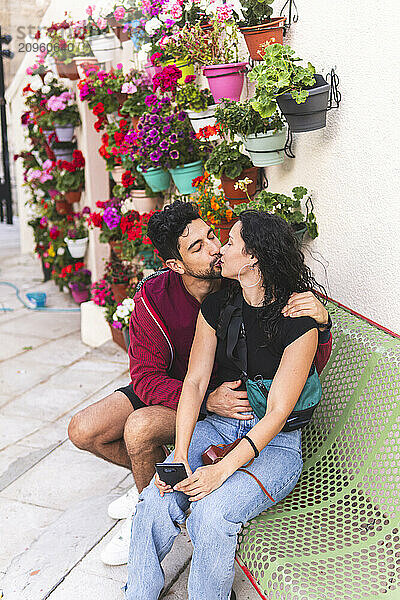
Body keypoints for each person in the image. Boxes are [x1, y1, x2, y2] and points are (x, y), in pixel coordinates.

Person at [68, 201, 332, 565]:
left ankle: (156, 494)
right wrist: (206, 398)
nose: (213, 249)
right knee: (84, 429)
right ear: (175, 265)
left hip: (235, 406)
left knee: (140, 429)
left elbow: (296, 365)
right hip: (182, 390)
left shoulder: (239, 277)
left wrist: (321, 324)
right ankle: (150, 499)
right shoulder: (154, 296)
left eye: (212, 236)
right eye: (197, 248)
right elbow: (144, 377)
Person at [125, 210, 327, 600]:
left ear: (252, 258)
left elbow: (277, 414)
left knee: (211, 513)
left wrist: (219, 474)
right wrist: (181, 454)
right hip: (218, 429)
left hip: (276, 443)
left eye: (228, 242)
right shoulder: (219, 307)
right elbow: (195, 382)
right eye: (209, 244)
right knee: (157, 497)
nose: (220, 250)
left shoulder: (297, 321)